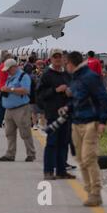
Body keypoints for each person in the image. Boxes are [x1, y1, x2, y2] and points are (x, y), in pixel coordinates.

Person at [65, 51, 107, 207]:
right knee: (80, 160)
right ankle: (89, 190)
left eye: (67, 63)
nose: (66, 66)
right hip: (76, 122)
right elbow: (77, 99)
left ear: (72, 63)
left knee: (88, 158)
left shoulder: (90, 77)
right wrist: (68, 108)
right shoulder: (76, 78)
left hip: (90, 123)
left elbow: (104, 99)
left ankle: (95, 193)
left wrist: (102, 120)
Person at [36, 49, 75, 180]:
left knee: (64, 143)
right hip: (53, 114)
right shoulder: (47, 75)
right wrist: (55, 90)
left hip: (66, 114)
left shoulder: (67, 75)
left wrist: (70, 93)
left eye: (60, 57)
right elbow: (40, 96)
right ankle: (48, 171)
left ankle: (61, 171)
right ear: (51, 59)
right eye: (55, 57)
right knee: (52, 142)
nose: (58, 59)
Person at [0, 58, 36, 162]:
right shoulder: (11, 77)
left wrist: (10, 89)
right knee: (9, 133)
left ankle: (31, 154)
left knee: (25, 132)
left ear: (14, 67)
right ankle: (10, 154)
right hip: (9, 109)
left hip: (21, 109)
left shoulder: (23, 76)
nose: (7, 72)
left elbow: (25, 90)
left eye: (8, 69)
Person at [0, 52, 11, 127]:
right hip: (5, 87)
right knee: (3, 106)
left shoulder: (0, 65)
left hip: (1, 86)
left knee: (2, 105)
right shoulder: (5, 66)